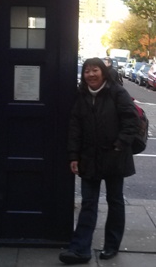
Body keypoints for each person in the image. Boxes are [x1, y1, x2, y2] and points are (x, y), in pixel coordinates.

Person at [59, 57, 139, 265]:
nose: (91, 74)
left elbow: (132, 120)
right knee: (88, 203)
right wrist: (73, 156)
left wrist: (119, 145)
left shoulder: (117, 92)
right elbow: (75, 128)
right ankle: (80, 250)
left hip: (115, 157)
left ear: (103, 72)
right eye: (87, 71)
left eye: (95, 70)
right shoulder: (82, 95)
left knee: (115, 201)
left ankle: (111, 246)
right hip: (89, 158)